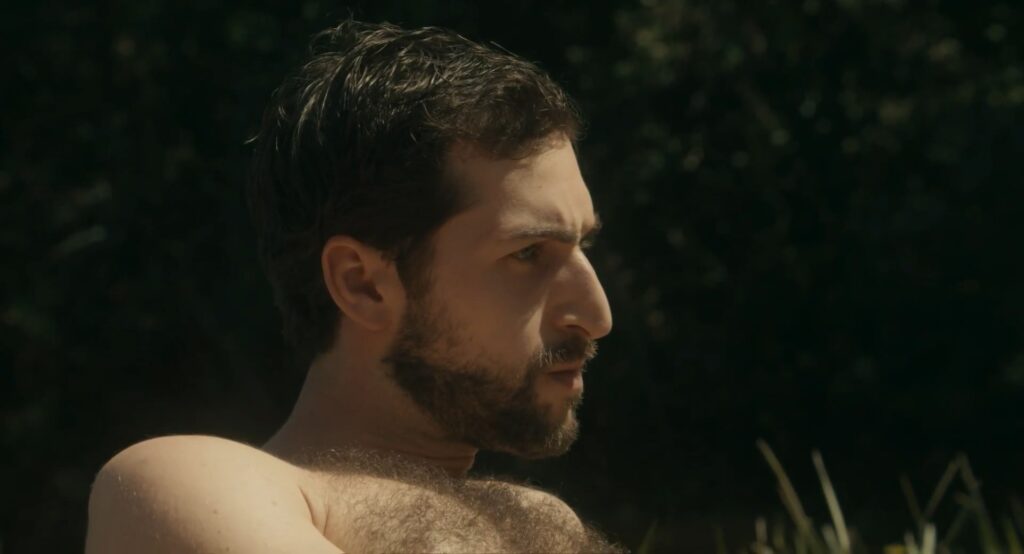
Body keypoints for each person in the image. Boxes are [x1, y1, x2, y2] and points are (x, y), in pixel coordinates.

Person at [85, 19, 623, 553]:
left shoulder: (546, 522)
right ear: (362, 283)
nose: (598, 316)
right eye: (527, 253)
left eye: (584, 246)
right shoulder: (198, 484)